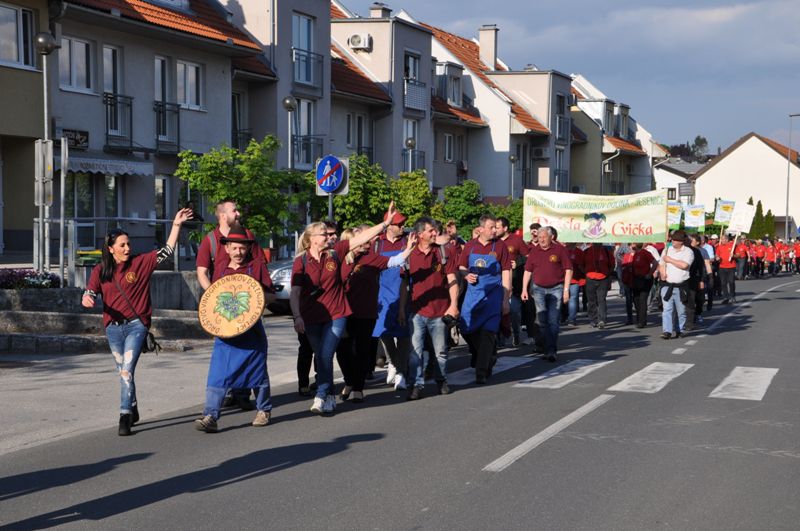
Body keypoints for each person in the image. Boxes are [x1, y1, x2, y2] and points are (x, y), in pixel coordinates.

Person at [82, 208, 193, 436]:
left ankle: (124, 415)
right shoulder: (100, 270)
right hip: (113, 328)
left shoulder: (140, 263)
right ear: (110, 249)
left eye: (128, 244)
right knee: (123, 371)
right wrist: (87, 298)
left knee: (126, 371)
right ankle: (133, 406)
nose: (127, 248)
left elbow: (166, 252)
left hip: (136, 324)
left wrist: (176, 225)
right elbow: (90, 292)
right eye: (122, 245)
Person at [290, 202, 398, 415]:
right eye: (323, 234)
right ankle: (328, 394)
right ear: (311, 239)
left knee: (325, 354)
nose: (329, 237)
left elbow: (360, 238)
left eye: (329, 234)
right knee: (320, 355)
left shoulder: (335, 252)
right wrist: (297, 317)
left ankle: (321, 396)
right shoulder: (300, 261)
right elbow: (295, 293)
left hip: (336, 314)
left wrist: (385, 223)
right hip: (311, 316)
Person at [194, 224, 276, 433]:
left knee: (257, 372)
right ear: (227, 248)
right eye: (235, 248)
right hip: (226, 331)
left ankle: (263, 410)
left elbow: (271, 295)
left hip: (252, 331)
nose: (239, 252)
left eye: (242, 248)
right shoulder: (221, 267)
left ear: (248, 248)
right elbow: (215, 298)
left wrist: (256, 297)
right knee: (218, 374)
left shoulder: (257, 266)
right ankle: (211, 415)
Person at [195, 198, 264, 410]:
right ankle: (226, 394)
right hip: (223, 304)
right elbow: (202, 272)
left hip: (245, 305)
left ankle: (243, 393)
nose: (239, 213)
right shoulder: (211, 240)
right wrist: (213, 295)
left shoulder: (247, 236)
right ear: (223, 215)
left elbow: (259, 264)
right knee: (225, 350)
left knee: (247, 349)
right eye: (235, 210)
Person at [336, 226, 414, 403]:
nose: (369, 242)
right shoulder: (340, 257)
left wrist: (409, 249)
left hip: (366, 312)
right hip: (342, 311)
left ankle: (357, 388)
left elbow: (395, 261)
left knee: (362, 350)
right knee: (343, 349)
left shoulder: (371, 258)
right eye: (364, 239)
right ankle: (349, 381)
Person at [399, 216, 460, 399]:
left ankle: (441, 380)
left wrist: (454, 306)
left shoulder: (442, 252)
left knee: (440, 351)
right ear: (420, 234)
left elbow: (452, 280)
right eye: (431, 230)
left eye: (435, 230)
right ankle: (416, 385)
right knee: (415, 352)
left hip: (440, 311)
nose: (435, 233)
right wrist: (402, 309)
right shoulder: (408, 254)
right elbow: (404, 284)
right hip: (416, 311)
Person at [459, 214, 511, 383]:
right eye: (491, 227)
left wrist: (505, 298)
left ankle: (481, 372)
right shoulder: (469, 246)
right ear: (481, 229)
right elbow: (461, 266)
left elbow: (506, 271)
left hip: (493, 295)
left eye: (496, 227)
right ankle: (485, 356)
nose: (495, 230)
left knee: (488, 333)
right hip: (473, 296)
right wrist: (466, 275)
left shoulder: (500, 246)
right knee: (466, 328)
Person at [371, 210, 412, 392]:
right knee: (384, 333)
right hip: (383, 296)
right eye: (399, 224)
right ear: (388, 225)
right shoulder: (377, 244)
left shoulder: (407, 241)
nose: (402, 227)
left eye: (404, 224)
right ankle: (393, 363)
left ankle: (401, 372)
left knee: (403, 336)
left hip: (403, 293)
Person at [521, 226, 573, 362]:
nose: (542, 239)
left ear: (551, 237)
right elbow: (527, 271)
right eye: (540, 237)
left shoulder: (559, 250)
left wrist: (566, 290)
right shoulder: (534, 251)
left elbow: (568, 269)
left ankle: (551, 350)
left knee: (553, 321)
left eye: (544, 237)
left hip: (556, 288)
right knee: (542, 321)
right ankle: (546, 347)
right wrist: (524, 289)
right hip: (538, 290)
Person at [496, 217, 529, 346]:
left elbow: (528, 257)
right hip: (498, 282)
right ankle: (501, 339)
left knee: (514, 312)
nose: (495, 230)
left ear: (505, 228)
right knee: (499, 312)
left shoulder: (516, 240)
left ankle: (516, 335)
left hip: (514, 282)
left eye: (497, 227)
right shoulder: (494, 242)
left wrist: (518, 262)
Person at [658, 230, 695, 339]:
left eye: (675, 239)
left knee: (681, 311)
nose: (673, 241)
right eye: (672, 239)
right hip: (667, 285)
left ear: (681, 241)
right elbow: (661, 264)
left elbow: (684, 265)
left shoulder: (688, 252)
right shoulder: (667, 249)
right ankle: (667, 331)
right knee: (667, 310)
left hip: (681, 286)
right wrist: (662, 273)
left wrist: (670, 260)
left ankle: (680, 329)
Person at [582, 242, 615, 328]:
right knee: (591, 300)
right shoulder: (586, 251)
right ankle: (593, 319)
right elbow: (581, 264)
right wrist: (586, 273)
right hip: (590, 279)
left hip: (603, 279)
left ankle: (602, 320)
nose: (597, 243)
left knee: (601, 300)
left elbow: (612, 264)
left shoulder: (607, 251)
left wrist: (608, 273)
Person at [684, 234, 709, 330]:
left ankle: (689, 323)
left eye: (687, 240)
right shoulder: (674, 251)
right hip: (678, 279)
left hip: (693, 279)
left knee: (691, 301)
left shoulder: (696, 251)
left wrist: (702, 280)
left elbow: (701, 267)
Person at [562, 242, 584, 326]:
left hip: (574, 280)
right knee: (562, 300)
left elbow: (581, 265)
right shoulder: (562, 250)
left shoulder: (579, 252)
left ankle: (571, 319)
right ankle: (563, 318)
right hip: (562, 280)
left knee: (572, 299)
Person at [715, 234, 738, 304]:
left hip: (731, 267)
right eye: (721, 239)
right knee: (723, 283)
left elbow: (738, 255)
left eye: (724, 239)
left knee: (731, 282)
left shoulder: (732, 246)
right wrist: (717, 258)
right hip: (722, 267)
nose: (722, 240)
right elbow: (717, 255)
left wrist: (733, 255)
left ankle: (732, 296)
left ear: (727, 239)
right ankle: (725, 297)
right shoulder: (719, 247)